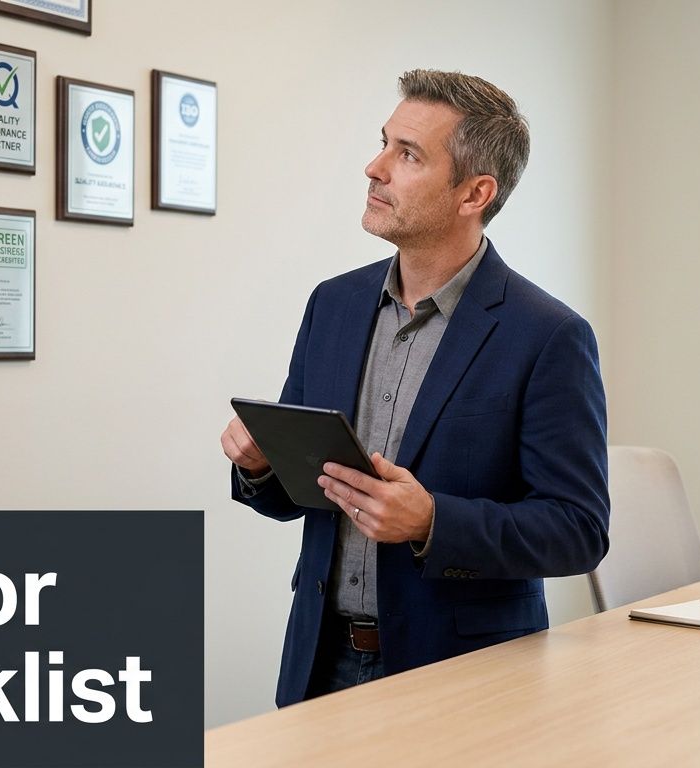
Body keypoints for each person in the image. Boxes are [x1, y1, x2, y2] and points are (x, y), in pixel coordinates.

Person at [221, 69, 610, 708]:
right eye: (384, 144)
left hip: (467, 679)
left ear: (473, 193)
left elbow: (578, 528)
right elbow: (299, 497)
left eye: (407, 155)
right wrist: (261, 465)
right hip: (321, 663)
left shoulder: (549, 336)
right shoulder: (334, 304)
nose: (374, 168)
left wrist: (432, 521)